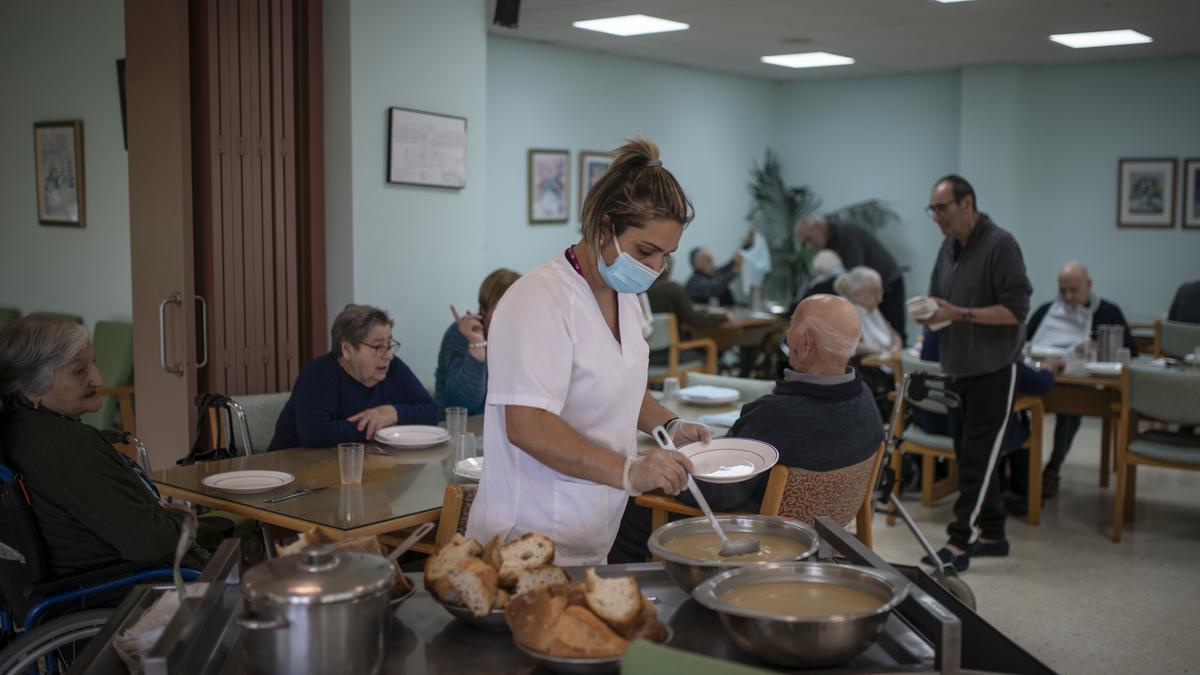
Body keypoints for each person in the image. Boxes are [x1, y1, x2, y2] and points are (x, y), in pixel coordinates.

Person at [464, 138, 711, 565]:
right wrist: (629, 471)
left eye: (665, 257)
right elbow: (526, 426)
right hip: (526, 536)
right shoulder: (538, 300)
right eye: (645, 252)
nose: (654, 269)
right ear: (603, 229)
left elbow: (621, 388)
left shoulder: (627, 296)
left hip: (592, 530)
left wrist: (669, 425)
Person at [609, 295, 882, 562]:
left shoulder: (777, 415)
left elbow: (721, 493)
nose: (787, 333)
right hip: (823, 534)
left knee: (624, 507)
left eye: (792, 324)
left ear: (806, 343)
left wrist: (664, 469)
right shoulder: (866, 400)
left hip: (754, 534)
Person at [0, 316, 193, 575]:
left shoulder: (17, 428)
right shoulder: (73, 448)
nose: (98, 378)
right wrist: (184, 519)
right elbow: (153, 543)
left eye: (94, 363)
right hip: (120, 587)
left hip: (61, 584)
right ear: (32, 389)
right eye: (80, 371)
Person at [916, 174, 1032, 572]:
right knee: (968, 454)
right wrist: (930, 313)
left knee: (977, 459)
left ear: (967, 204)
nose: (936, 217)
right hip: (957, 367)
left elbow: (1016, 311)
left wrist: (958, 314)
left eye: (942, 208)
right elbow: (939, 300)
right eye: (932, 209)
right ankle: (994, 534)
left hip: (995, 369)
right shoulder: (948, 247)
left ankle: (959, 542)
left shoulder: (1001, 244)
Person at [1026, 261, 1136, 497]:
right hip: (1043, 379)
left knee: (1071, 406)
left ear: (1089, 285)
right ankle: (1020, 473)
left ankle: (1053, 468)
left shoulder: (1108, 312)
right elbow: (1024, 343)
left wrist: (1097, 347)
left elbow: (1131, 351)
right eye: (1062, 290)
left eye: (1073, 290)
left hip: (1085, 385)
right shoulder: (1045, 311)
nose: (1067, 296)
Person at [269, 304, 437, 450]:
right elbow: (315, 433)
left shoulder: (394, 368)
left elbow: (432, 412)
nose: (389, 355)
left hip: (361, 468)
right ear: (347, 349)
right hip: (293, 473)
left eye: (389, 345)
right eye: (378, 346)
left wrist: (393, 413)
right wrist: (383, 427)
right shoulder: (319, 374)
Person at [796, 214, 907, 343]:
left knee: (892, 330)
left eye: (808, 239)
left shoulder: (846, 234)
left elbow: (856, 272)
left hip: (887, 283)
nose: (810, 245)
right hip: (868, 287)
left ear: (820, 227)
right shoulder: (830, 244)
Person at [434, 268, 520, 415]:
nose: (511, 314)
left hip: (502, 429)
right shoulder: (461, 333)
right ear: (484, 309)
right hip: (460, 429)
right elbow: (466, 402)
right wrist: (476, 346)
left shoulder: (520, 336)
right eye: (502, 306)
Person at [836, 266, 902, 356]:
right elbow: (845, 345)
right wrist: (877, 351)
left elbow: (894, 336)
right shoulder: (844, 311)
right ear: (856, 293)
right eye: (874, 292)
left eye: (880, 291)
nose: (879, 299)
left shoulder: (872, 308)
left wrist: (895, 348)